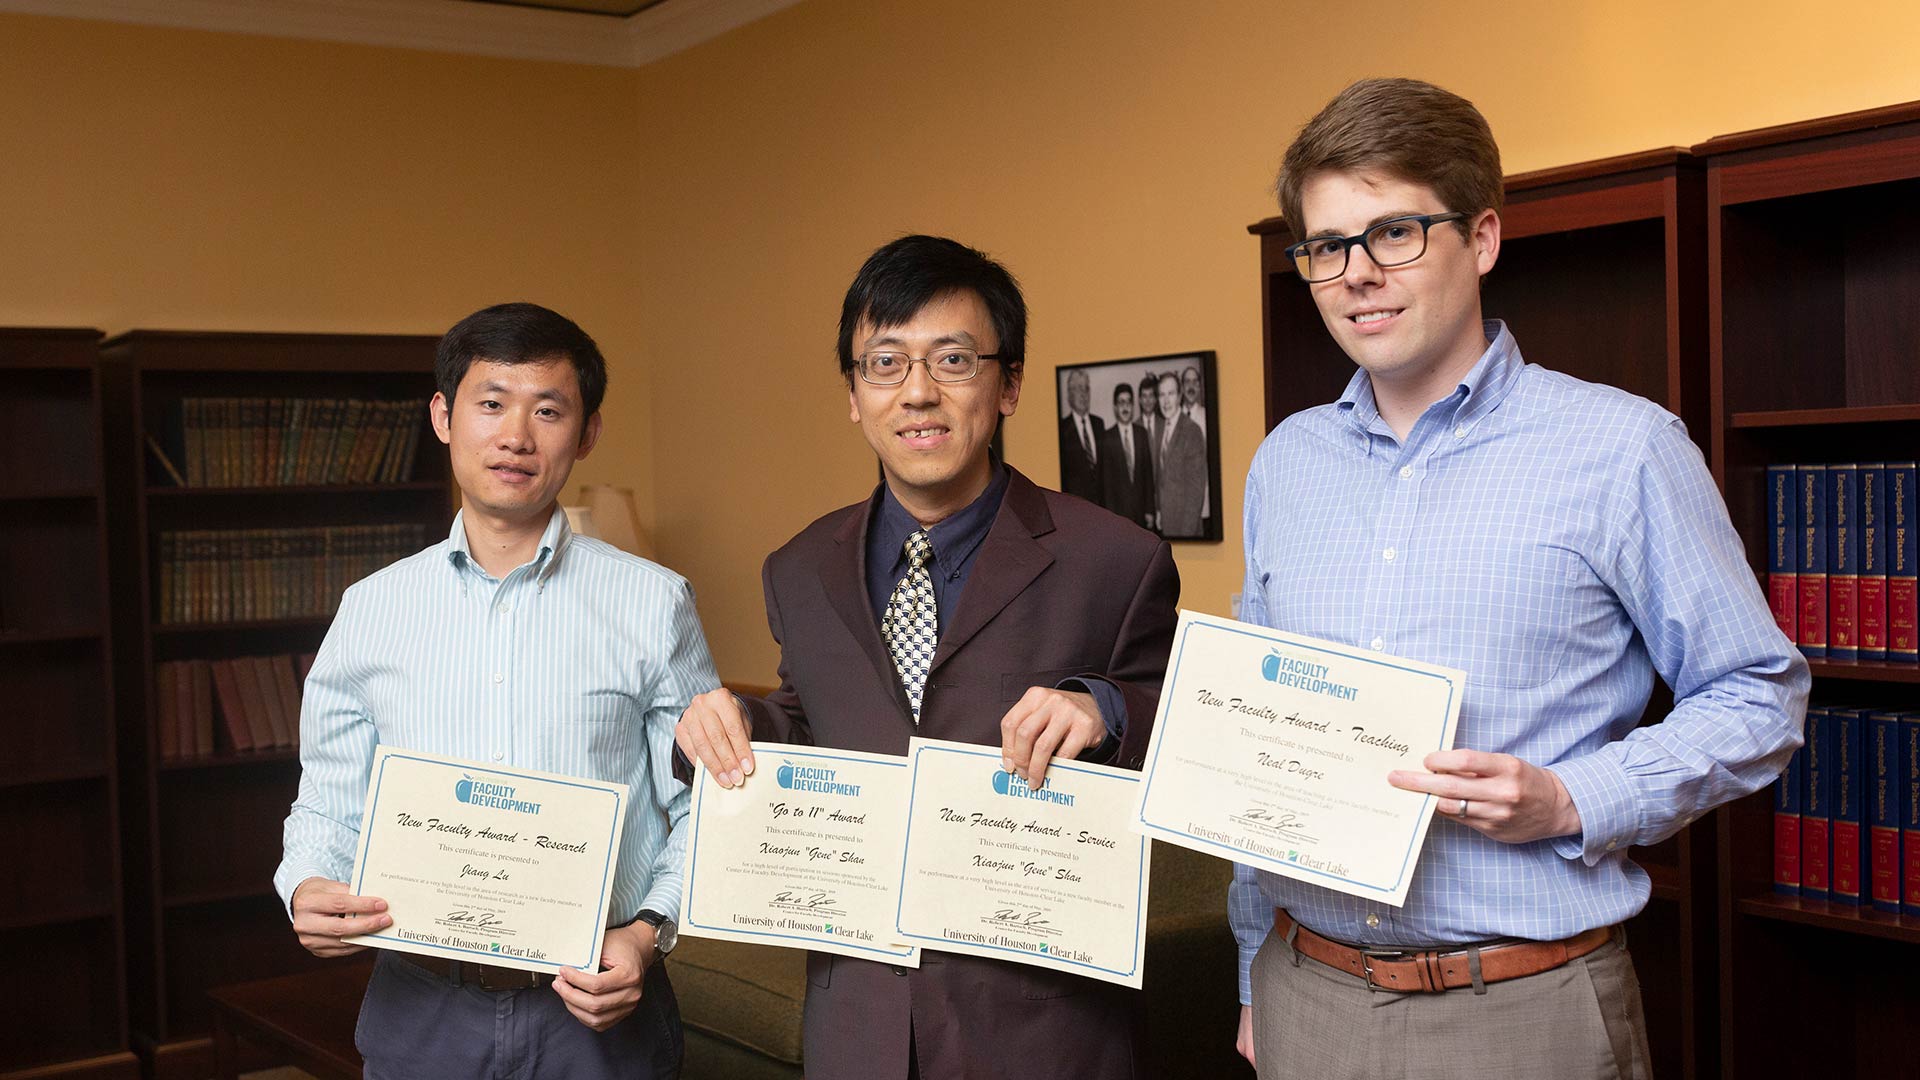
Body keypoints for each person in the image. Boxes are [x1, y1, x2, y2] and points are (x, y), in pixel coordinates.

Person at [1228, 78, 1807, 1080]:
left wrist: (1570, 798)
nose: (1358, 274)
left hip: (1522, 1013)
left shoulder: (1622, 449)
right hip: (1302, 992)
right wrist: (1250, 976)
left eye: (1395, 232)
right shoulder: (1286, 462)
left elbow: (1761, 693)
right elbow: (1262, 740)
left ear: (1483, 238)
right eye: (1327, 247)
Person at [673, 234, 1179, 1080]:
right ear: (853, 394)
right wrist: (734, 722)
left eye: (953, 359)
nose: (917, 393)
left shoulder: (1114, 558)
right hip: (855, 1023)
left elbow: (1186, 730)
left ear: (1008, 383)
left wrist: (1106, 708)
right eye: (885, 364)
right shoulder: (799, 569)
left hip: (1039, 1033)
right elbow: (810, 717)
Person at [274, 302, 719, 1079]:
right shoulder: (372, 608)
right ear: (444, 416)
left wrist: (647, 934)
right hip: (422, 1008)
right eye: (491, 404)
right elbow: (329, 803)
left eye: (548, 410)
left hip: (597, 1013)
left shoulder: (655, 603)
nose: (516, 436)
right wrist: (307, 881)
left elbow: (701, 808)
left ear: (586, 434)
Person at [1153, 371, 1206, 537]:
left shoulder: (1192, 431)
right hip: (1166, 525)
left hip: (1185, 528)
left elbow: (1196, 492)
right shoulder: (1160, 428)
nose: (1166, 400)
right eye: (1162, 394)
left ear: (1179, 395)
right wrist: (1159, 510)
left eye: (1171, 393)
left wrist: (1186, 536)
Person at [1098, 380, 1155, 527]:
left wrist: (1150, 510)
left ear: (1133, 406)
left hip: (1141, 512)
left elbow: (1147, 474)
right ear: (1115, 407)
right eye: (1121, 402)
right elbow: (1107, 484)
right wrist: (1110, 517)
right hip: (1118, 514)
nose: (1125, 406)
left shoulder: (1141, 434)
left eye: (1129, 402)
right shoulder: (1107, 437)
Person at [1059, 367, 1105, 502]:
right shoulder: (1063, 428)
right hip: (1076, 506)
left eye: (1086, 388)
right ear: (1069, 394)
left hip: (1102, 507)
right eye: (1079, 389)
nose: (1083, 394)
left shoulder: (1099, 424)